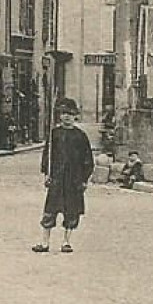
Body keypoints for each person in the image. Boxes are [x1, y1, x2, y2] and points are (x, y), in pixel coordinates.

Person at [33, 97, 94, 253]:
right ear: (60, 116)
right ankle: (44, 242)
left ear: (75, 116)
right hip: (57, 178)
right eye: (64, 113)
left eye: (70, 114)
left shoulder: (80, 136)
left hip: (74, 180)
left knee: (72, 211)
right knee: (50, 211)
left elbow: (87, 160)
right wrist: (46, 174)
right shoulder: (54, 134)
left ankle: (66, 242)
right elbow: (47, 156)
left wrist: (84, 179)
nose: (67, 116)